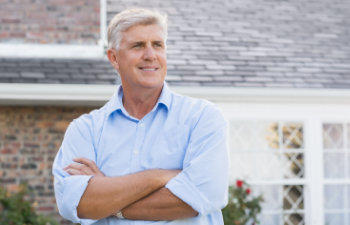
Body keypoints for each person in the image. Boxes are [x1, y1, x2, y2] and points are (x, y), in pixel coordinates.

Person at [52, 8, 229, 225]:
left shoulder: (202, 118)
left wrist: (107, 197)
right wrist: (159, 177)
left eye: (157, 45)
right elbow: (77, 204)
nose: (150, 55)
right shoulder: (84, 130)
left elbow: (199, 198)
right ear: (114, 58)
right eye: (138, 46)